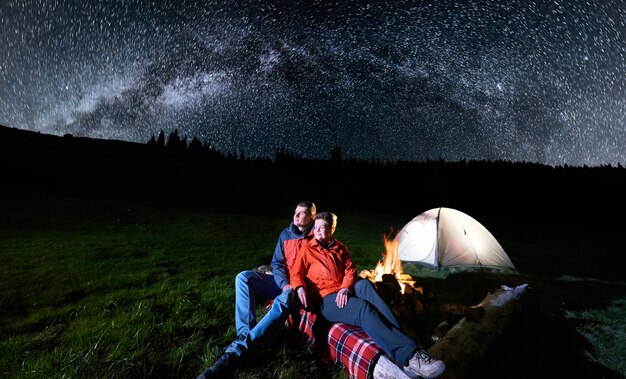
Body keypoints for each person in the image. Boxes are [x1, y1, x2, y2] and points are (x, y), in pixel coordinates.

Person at [291, 212, 446, 379]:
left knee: (365, 285)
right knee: (362, 309)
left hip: (341, 289)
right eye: (316, 228)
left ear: (332, 229)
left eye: (323, 228)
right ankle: (410, 356)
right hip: (324, 298)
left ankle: (398, 341)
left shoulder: (340, 248)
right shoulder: (306, 249)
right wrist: (299, 287)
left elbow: (350, 270)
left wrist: (344, 288)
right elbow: (295, 273)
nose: (319, 232)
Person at [196, 200, 316, 379]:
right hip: (284, 283)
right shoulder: (286, 234)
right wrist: (284, 284)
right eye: (295, 212)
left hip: (301, 289)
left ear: (312, 217)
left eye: (302, 213)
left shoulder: (318, 234)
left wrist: (295, 286)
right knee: (244, 277)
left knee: (286, 297)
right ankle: (244, 335)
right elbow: (277, 263)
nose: (296, 216)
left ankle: (236, 355)